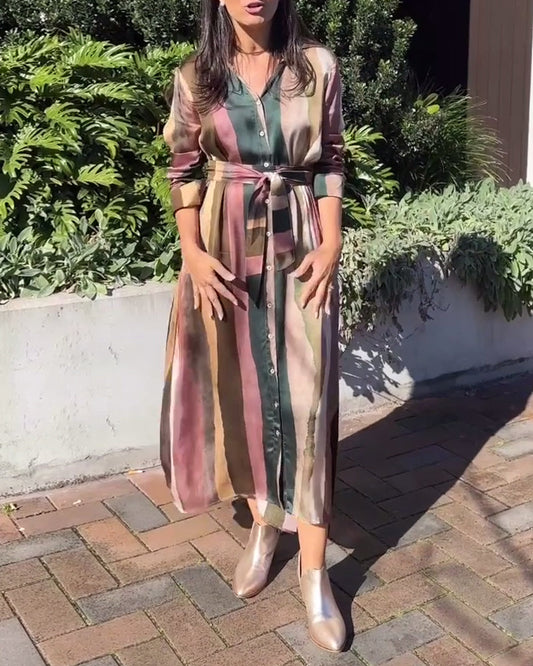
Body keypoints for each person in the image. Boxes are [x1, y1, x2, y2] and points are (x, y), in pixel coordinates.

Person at [160, 0, 346, 652]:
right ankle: (265, 525)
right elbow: (183, 167)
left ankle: (314, 573)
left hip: (302, 251)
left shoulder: (316, 67)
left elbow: (330, 160)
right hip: (226, 246)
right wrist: (191, 252)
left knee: (307, 403)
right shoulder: (197, 77)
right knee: (245, 395)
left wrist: (332, 242)